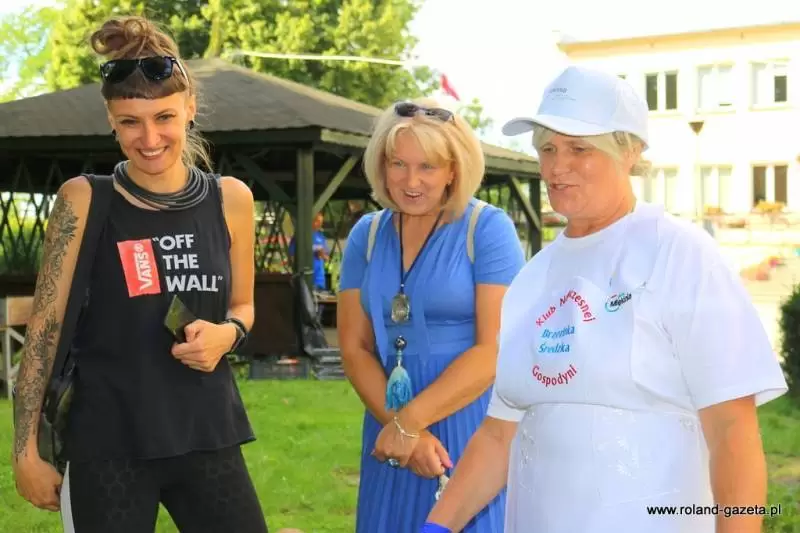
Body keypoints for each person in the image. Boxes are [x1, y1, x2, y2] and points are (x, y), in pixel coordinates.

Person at [421, 66, 789, 533]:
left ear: (629, 151)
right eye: (548, 149)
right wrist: (438, 526)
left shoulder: (681, 255)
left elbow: (732, 431)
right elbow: (498, 435)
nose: (557, 166)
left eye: (579, 148)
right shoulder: (531, 280)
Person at [11, 15, 268, 533]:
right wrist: (25, 452)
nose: (149, 138)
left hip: (206, 431)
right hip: (107, 441)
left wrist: (228, 333)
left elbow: (243, 306)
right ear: (111, 120)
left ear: (190, 108)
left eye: (164, 117)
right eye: (130, 122)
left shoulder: (231, 199)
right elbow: (43, 332)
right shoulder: (84, 200)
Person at [337, 97, 526, 533]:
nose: (411, 181)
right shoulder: (367, 234)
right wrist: (402, 429)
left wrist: (410, 424)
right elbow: (354, 347)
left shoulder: (487, 229)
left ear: (454, 170)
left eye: (428, 166)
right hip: (388, 422)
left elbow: (494, 348)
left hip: (469, 423)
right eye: (398, 164)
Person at [289, 212, 330, 292]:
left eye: (321, 222)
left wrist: (322, 254)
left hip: (319, 279)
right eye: (317, 221)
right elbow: (292, 256)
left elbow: (327, 257)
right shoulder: (300, 236)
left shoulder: (321, 237)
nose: (319, 224)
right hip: (305, 279)